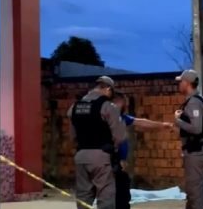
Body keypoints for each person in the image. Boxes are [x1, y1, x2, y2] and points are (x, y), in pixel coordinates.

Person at [68, 76, 126, 209]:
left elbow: (72, 135)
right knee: (105, 195)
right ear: (108, 89)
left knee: (83, 195)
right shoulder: (108, 106)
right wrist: (114, 149)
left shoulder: (74, 107)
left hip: (81, 156)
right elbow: (119, 136)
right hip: (101, 157)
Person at [110, 92, 173, 209]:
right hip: (112, 162)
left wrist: (161, 125)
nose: (124, 105)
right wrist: (117, 159)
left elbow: (141, 121)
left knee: (122, 194)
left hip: (118, 163)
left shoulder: (122, 118)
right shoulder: (109, 119)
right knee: (116, 194)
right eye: (121, 102)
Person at [174, 70, 203, 209]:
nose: (179, 84)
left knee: (195, 195)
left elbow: (197, 129)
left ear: (187, 83)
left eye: (181, 81)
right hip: (198, 151)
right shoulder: (197, 101)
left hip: (196, 151)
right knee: (192, 193)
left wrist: (177, 121)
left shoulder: (194, 102)